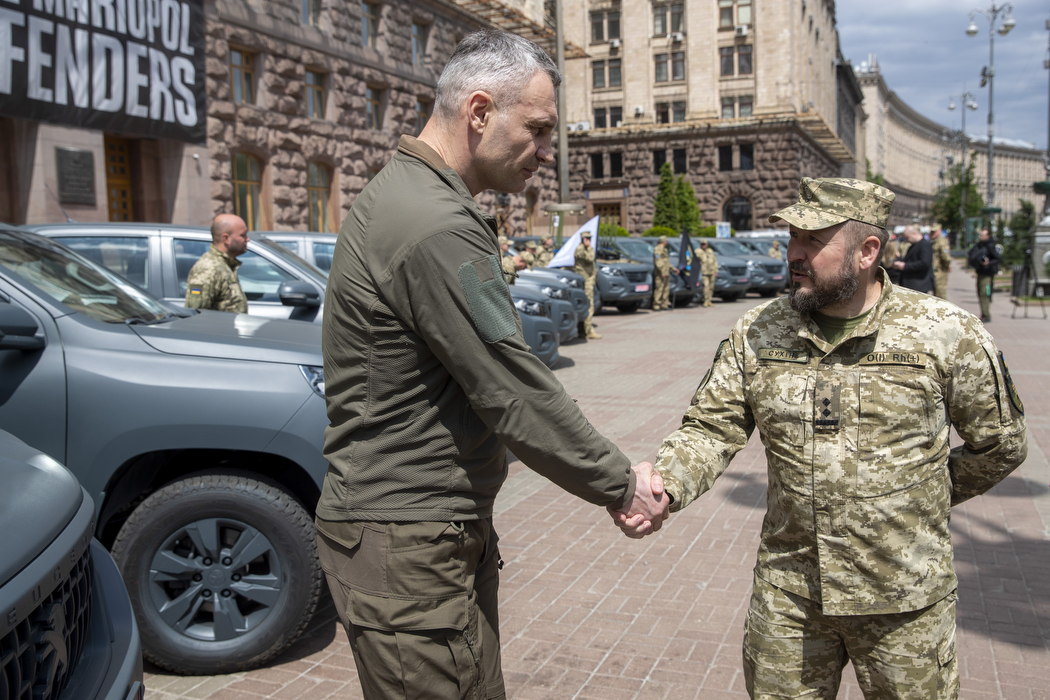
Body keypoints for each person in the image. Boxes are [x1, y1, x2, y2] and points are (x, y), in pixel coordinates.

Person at [316, 30, 669, 700]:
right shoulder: (435, 223)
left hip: (419, 534)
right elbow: (512, 388)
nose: (545, 152)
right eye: (537, 130)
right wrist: (620, 484)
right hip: (411, 541)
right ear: (479, 114)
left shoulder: (412, 196)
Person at [622, 177, 1027, 699]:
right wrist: (665, 486)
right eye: (792, 237)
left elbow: (1001, 443)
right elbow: (711, 428)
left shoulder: (944, 333)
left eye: (813, 241)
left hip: (903, 599)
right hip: (791, 598)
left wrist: (923, 494)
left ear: (867, 251)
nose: (794, 253)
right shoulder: (759, 333)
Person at [183, 213, 250, 313]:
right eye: (243, 235)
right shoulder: (209, 268)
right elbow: (196, 315)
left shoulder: (225, 265)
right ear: (226, 239)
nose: (247, 239)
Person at [968, 228, 1000, 322]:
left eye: (982, 235)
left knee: (984, 294)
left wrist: (988, 263)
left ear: (988, 236)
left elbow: (998, 259)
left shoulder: (990, 246)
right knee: (980, 293)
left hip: (987, 273)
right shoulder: (979, 245)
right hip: (980, 272)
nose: (980, 236)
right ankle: (983, 314)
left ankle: (986, 315)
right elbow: (971, 253)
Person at [575, 230, 601, 339]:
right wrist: (590, 248)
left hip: (588, 280)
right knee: (589, 306)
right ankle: (588, 331)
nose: (589, 241)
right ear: (583, 239)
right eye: (587, 239)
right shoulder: (581, 249)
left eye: (590, 239)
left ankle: (583, 331)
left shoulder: (583, 249)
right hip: (586, 282)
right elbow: (590, 258)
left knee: (586, 305)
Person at [892, 224, 934, 293]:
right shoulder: (913, 245)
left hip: (919, 285)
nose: (906, 240)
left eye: (907, 237)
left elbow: (924, 263)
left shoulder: (925, 245)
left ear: (914, 233)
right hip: (912, 285)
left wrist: (904, 266)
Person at [930, 224, 952, 299]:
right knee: (936, 295)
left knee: (940, 296)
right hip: (935, 271)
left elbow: (946, 258)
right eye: (931, 231)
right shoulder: (934, 241)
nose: (932, 233)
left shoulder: (941, 242)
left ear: (939, 231)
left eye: (934, 231)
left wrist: (946, 267)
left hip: (939, 271)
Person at [652, 235, 674, 311]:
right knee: (659, 288)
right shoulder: (657, 249)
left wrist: (673, 268)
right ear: (664, 241)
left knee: (666, 289)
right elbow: (658, 262)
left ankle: (664, 305)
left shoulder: (664, 250)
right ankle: (656, 305)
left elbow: (666, 262)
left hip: (666, 272)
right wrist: (662, 271)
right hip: (660, 273)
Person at [697, 239, 718, 307]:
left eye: (704, 244)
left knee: (711, 287)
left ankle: (709, 300)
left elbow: (715, 261)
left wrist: (716, 270)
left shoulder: (710, 251)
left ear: (707, 244)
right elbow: (694, 260)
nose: (703, 245)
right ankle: (705, 300)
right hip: (704, 271)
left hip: (711, 271)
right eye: (702, 244)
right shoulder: (697, 251)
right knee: (705, 286)